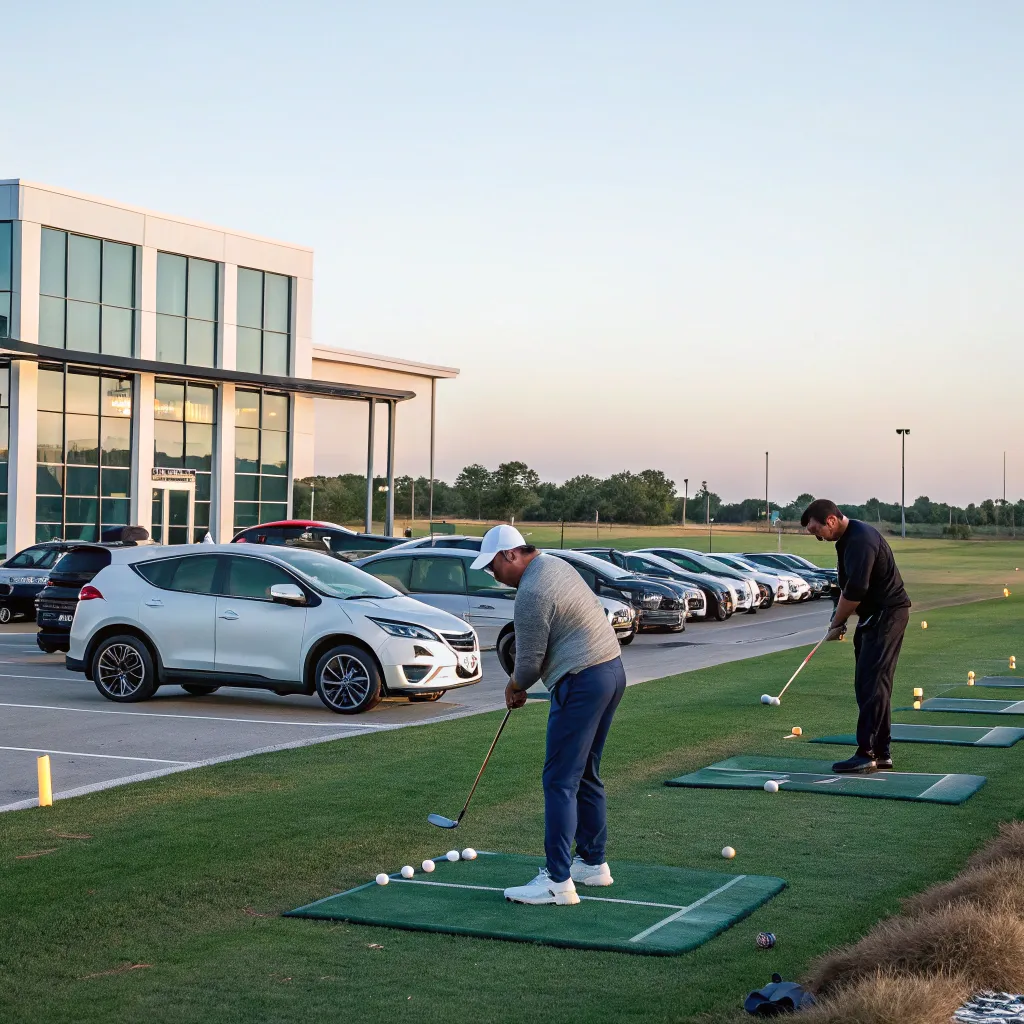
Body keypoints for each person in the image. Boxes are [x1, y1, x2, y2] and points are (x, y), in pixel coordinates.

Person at [470, 524, 626, 906]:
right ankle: (592, 863)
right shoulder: (555, 564)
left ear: (510, 554)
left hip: (582, 680)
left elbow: (528, 664)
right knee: (585, 773)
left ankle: (557, 882)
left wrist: (514, 686)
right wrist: (521, 680)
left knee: (559, 781)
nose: (494, 575)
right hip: (611, 671)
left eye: (493, 566)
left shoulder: (531, 591)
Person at [801, 498, 911, 774]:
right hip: (873, 617)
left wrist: (837, 622)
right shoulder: (847, 540)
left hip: (887, 615)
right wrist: (837, 620)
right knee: (870, 684)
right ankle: (881, 752)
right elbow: (847, 586)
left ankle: (867, 753)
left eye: (816, 531)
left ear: (831, 520)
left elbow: (857, 589)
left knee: (872, 684)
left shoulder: (860, 539)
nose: (817, 537)